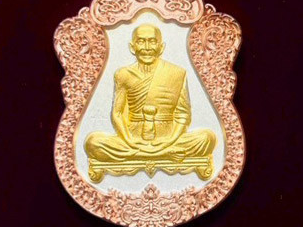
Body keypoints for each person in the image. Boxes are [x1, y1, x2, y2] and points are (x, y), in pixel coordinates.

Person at [85, 23, 216, 180]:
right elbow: (117, 113)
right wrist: (130, 141)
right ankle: (164, 154)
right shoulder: (123, 74)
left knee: (207, 138)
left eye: (152, 41)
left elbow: (183, 114)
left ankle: (150, 153)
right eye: (141, 41)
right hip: (133, 139)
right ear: (132, 47)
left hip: (168, 138)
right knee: (93, 143)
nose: (147, 48)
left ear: (161, 47)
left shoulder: (177, 73)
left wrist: (169, 141)